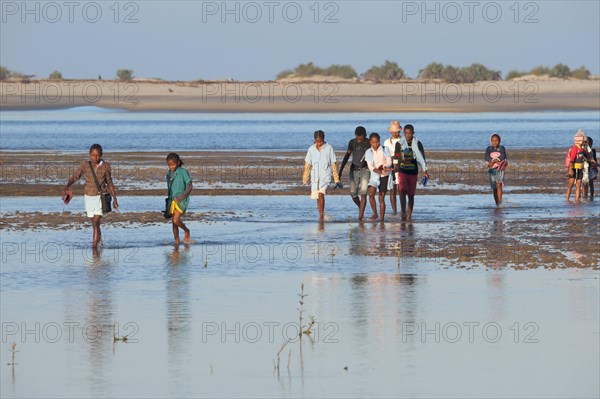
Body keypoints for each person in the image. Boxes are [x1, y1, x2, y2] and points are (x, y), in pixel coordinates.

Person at [62, 144, 118, 248]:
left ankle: (94, 247)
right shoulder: (85, 165)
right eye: (93, 155)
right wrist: (66, 186)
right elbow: (75, 176)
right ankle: (99, 243)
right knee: (94, 223)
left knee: (96, 222)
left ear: (101, 155)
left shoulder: (106, 166)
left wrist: (115, 199)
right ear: (89, 155)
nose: (95, 158)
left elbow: (110, 183)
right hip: (88, 197)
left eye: (97, 155)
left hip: (100, 197)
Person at [303, 130, 340, 220]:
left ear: (323, 139)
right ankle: (320, 213)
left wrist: (336, 179)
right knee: (317, 196)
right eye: (317, 141)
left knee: (321, 194)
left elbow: (333, 164)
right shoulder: (311, 149)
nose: (319, 143)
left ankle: (321, 215)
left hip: (325, 176)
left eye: (321, 141)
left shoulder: (329, 148)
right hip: (315, 177)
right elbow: (307, 165)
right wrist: (305, 178)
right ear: (314, 140)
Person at [394, 124, 429, 221]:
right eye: (406, 133)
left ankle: (409, 215)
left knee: (411, 195)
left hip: (413, 172)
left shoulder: (418, 144)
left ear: (413, 133)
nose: (408, 135)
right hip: (402, 171)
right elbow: (396, 155)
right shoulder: (399, 144)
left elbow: (422, 158)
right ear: (403, 133)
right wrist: (395, 167)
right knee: (401, 192)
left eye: (410, 133)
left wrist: (425, 170)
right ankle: (403, 212)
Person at [339, 126, 370, 220]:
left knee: (363, 193)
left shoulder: (369, 143)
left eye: (361, 138)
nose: (359, 140)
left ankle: (360, 217)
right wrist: (340, 170)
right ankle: (361, 208)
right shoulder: (352, 142)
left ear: (365, 135)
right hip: (354, 170)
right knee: (353, 194)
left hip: (365, 170)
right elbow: (347, 155)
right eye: (358, 138)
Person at [365, 133, 392, 222]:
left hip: (384, 175)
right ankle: (375, 213)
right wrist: (376, 170)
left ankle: (382, 219)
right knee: (371, 194)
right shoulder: (368, 152)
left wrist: (384, 166)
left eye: (377, 142)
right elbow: (370, 166)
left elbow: (389, 161)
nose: (375, 144)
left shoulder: (385, 149)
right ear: (370, 142)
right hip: (374, 176)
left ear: (379, 141)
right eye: (373, 143)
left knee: (381, 197)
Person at [166, 153, 193, 244]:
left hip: (182, 200)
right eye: (169, 165)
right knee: (174, 223)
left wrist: (181, 197)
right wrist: (168, 203)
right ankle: (177, 243)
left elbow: (190, 186)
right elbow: (169, 188)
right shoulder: (168, 173)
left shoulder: (183, 172)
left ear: (178, 163)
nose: (171, 167)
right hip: (172, 200)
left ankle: (186, 230)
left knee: (176, 220)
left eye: (173, 165)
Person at [566, 130, 593, 203]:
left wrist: (591, 161)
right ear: (580, 141)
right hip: (574, 168)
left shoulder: (582, 149)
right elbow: (572, 160)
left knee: (578, 185)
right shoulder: (575, 148)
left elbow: (587, 155)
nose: (585, 142)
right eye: (584, 141)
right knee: (570, 185)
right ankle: (567, 199)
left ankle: (577, 200)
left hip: (580, 168)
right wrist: (570, 169)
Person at [383, 121, 402, 215]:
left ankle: (403, 210)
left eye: (397, 131)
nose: (395, 133)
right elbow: (385, 155)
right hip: (391, 167)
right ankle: (394, 211)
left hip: (401, 167)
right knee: (392, 190)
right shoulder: (386, 142)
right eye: (394, 131)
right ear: (391, 132)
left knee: (402, 190)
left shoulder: (403, 141)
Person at [484, 133, 508, 207]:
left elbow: (503, 156)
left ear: (499, 141)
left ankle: (500, 203)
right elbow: (486, 157)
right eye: (493, 141)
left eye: (496, 140)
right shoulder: (489, 149)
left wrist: (496, 160)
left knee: (499, 185)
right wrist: (492, 161)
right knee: (494, 187)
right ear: (491, 141)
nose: (495, 142)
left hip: (500, 169)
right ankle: (497, 203)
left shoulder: (501, 148)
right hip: (492, 169)